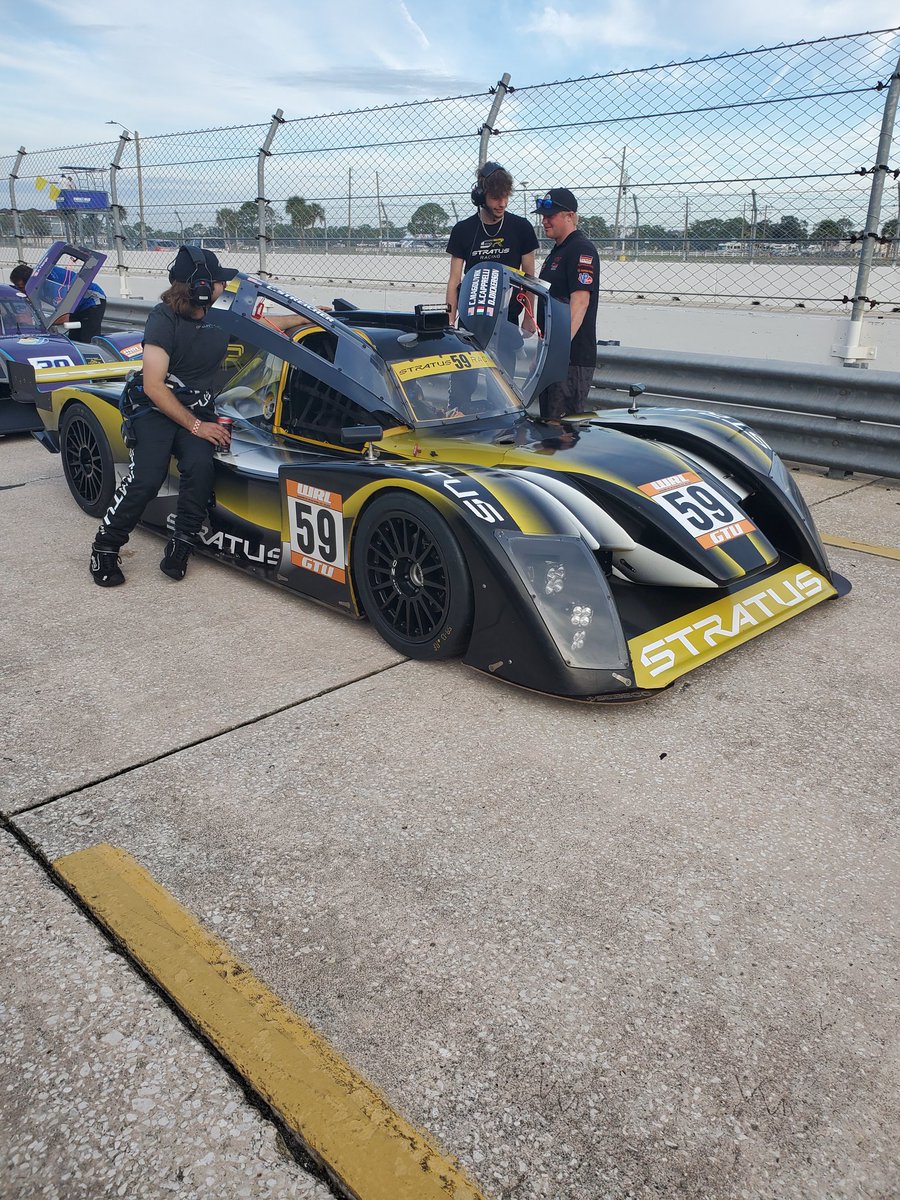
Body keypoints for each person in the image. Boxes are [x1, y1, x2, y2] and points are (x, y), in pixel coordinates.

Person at [88, 246, 314, 588]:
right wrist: (196, 425)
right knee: (148, 477)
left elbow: (266, 325)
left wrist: (309, 317)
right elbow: (153, 386)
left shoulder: (219, 315)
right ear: (202, 287)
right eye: (219, 281)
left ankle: (181, 545)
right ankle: (105, 547)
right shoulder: (162, 319)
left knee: (200, 468)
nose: (225, 286)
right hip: (155, 409)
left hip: (197, 410)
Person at [533, 188, 600, 422]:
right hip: (554, 355)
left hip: (571, 359)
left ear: (569, 216)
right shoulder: (559, 250)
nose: (544, 220)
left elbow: (580, 303)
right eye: (542, 215)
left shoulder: (581, 249)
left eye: (550, 215)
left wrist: (557, 350)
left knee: (563, 433)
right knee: (549, 425)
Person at [445, 162, 538, 327]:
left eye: (506, 197)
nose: (502, 204)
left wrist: (529, 317)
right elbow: (454, 280)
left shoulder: (521, 227)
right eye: (496, 198)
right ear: (481, 197)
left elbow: (529, 277)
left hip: (508, 318)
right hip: (471, 316)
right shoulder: (463, 230)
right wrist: (450, 320)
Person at [10, 261, 107, 341]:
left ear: (29, 282)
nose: (23, 291)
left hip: (92, 300)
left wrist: (40, 324)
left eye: (22, 288)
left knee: (88, 339)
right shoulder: (35, 285)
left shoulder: (52, 284)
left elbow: (64, 316)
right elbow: (35, 307)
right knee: (74, 340)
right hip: (75, 304)